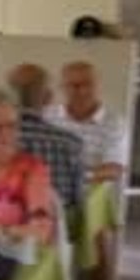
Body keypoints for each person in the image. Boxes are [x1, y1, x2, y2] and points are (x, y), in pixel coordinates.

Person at [46, 60, 128, 280]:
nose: (80, 90)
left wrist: (80, 175)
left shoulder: (113, 121)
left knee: (98, 243)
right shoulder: (48, 116)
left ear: (97, 85)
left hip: (91, 191)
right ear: (62, 87)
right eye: (73, 85)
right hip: (50, 190)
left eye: (86, 84)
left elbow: (115, 168)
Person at [0, 91, 55, 280]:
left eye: (11, 126)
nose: (4, 134)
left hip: (7, 263)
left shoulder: (31, 169)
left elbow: (42, 231)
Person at [6, 63, 85, 214]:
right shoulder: (72, 143)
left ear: (7, 97)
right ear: (48, 98)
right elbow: (79, 205)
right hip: (57, 225)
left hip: (0, 226)